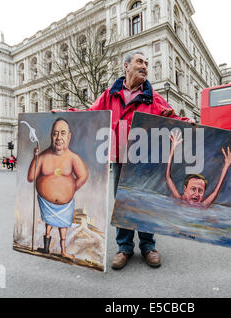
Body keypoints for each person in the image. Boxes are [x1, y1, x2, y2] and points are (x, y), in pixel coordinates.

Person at [57, 51, 195, 270]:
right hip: (120, 158)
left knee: (144, 202)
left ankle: (148, 247)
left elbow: (171, 117)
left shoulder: (153, 96)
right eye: (140, 61)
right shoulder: (109, 95)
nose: (145, 66)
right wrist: (65, 114)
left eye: (147, 63)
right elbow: (90, 114)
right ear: (126, 66)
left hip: (145, 159)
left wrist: (187, 122)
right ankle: (124, 248)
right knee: (122, 203)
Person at [27, 118, 89, 261]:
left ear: (69, 136)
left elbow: (83, 176)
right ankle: (46, 247)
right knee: (48, 225)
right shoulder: (42, 157)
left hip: (65, 205)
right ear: (51, 136)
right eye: (55, 133)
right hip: (46, 202)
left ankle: (64, 251)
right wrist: (35, 158)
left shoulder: (73, 158)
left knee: (63, 228)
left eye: (62, 133)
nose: (58, 138)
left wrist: (70, 189)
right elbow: (31, 177)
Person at [166, 130, 231, 209]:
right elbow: (168, 177)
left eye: (200, 191)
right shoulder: (180, 201)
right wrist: (173, 148)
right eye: (193, 189)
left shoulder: (203, 205)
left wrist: (226, 165)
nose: (196, 194)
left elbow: (216, 191)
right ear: (185, 189)